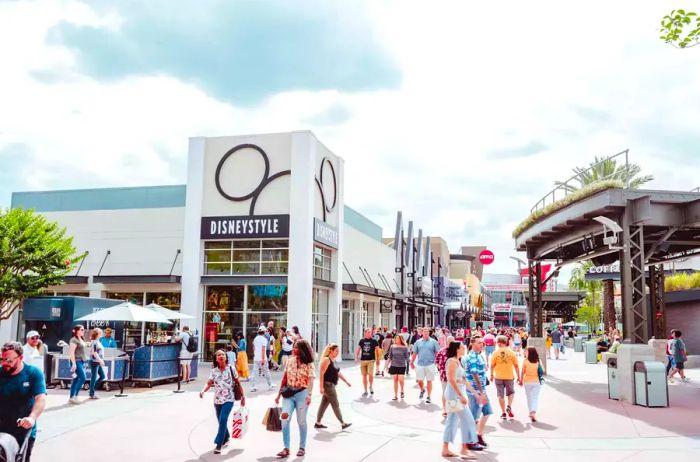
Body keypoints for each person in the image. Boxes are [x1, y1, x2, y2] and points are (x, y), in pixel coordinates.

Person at [0, 341, 47, 461]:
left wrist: (32, 417)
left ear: (20, 358)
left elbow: (40, 398)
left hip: (23, 428)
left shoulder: (33, 373)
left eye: (9, 360)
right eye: (2, 359)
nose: (5, 363)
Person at [441, 341, 485, 459]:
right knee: (468, 420)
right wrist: (461, 395)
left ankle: (446, 448)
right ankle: (463, 450)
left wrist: (476, 394)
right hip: (454, 394)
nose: (464, 348)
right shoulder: (452, 361)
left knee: (453, 421)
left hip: (456, 393)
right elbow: (451, 379)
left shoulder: (459, 362)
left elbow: (463, 380)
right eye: (462, 347)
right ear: (457, 349)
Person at [199, 349, 246, 454]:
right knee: (221, 421)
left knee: (223, 418)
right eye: (219, 355)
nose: (221, 356)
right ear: (216, 359)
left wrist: (243, 396)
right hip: (217, 399)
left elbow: (238, 383)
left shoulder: (231, 369)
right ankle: (226, 437)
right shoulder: (213, 371)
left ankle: (219, 444)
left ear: (226, 357)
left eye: (223, 355)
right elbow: (209, 383)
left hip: (229, 398)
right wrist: (203, 391)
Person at [275, 339, 315, 459]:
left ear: (302, 349)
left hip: (302, 394)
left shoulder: (309, 364)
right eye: (294, 347)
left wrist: (309, 395)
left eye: (296, 347)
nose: (293, 349)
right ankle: (286, 448)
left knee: (301, 421)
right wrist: (278, 395)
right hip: (288, 394)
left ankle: (302, 447)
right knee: (284, 420)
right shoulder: (290, 361)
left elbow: (310, 380)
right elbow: (284, 378)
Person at [315, 343, 351, 430]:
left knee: (323, 404)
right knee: (335, 404)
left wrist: (346, 381)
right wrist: (321, 387)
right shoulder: (326, 360)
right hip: (328, 385)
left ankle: (318, 423)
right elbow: (321, 373)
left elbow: (337, 372)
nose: (338, 353)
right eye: (336, 351)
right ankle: (343, 423)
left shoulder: (333, 360)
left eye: (338, 351)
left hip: (331, 385)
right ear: (331, 351)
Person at [465, 336, 492, 448]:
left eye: (482, 342)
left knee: (487, 411)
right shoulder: (472, 356)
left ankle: (478, 435)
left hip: (481, 389)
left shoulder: (479, 355)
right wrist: (480, 392)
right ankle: (470, 441)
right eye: (479, 342)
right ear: (472, 343)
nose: (482, 344)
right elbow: (474, 373)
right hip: (475, 391)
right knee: (473, 416)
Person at [490, 335, 519, 420]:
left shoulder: (495, 353)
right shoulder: (511, 353)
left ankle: (503, 412)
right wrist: (519, 377)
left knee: (500, 395)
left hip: (498, 376)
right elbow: (516, 366)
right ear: (506, 342)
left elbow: (492, 365)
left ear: (498, 343)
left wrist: (491, 375)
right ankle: (509, 406)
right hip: (509, 376)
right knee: (511, 392)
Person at [410, 327, 440, 404]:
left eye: (427, 333)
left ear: (429, 333)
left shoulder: (434, 342)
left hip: (430, 364)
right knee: (419, 380)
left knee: (429, 380)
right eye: (424, 332)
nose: (426, 334)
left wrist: (438, 363)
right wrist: (411, 362)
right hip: (420, 364)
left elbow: (437, 353)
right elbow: (414, 353)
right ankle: (422, 389)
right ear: (422, 333)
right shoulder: (418, 342)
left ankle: (429, 396)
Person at [519, 346, 542, 422]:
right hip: (536, 382)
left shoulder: (525, 361)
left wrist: (521, 380)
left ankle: (530, 412)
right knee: (535, 398)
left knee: (529, 398)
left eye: (526, 351)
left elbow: (522, 372)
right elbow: (542, 370)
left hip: (527, 382)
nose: (525, 352)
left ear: (529, 352)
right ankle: (533, 412)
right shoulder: (538, 361)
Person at [355, 328, 379, 396]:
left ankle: (371, 386)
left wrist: (377, 360)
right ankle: (365, 390)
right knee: (364, 375)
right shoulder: (362, 341)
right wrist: (356, 357)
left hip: (371, 360)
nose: (369, 333)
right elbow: (358, 349)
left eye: (370, 332)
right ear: (365, 333)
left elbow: (377, 351)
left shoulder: (374, 341)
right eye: (368, 332)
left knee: (370, 374)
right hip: (363, 360)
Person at [68, 324, 88, 404]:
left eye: (83, 329)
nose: (83, 331)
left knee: (76, 379)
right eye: (82, 330)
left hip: (81, 361)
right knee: (83, 377)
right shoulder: (73, 340)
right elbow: (71, 352)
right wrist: (74, 364)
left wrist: (88, 343)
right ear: (76, 331)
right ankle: (75, 396)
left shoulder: (81, 339)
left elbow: (83, 345)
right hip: (76, 361)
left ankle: (71, 397)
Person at [387, 334, 410, 400]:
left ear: (401, 339)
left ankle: (402, 390)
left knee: (400, 380)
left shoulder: (404, 347)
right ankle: (395, 395)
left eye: (398, 338)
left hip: (402, 366)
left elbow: (407, 357)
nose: (396, 340)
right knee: (395, 380)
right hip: (394, 365)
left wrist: (410, 362)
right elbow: (390, 357)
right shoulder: (392, 346)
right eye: (396, 338)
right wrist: (386, 366)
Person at [436, 335, 454, 417]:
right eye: (449, 341)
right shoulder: (442, 351)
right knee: (445, 392)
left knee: (453, 393)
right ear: (446, 342)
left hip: (454, 376)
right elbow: (437, 361)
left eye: (452, 342)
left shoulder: (456, 351)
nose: (450, 343)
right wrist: (440, 370)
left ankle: (452, 409)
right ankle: (445, 409)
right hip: (444, 375)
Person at [251, 326, 273, 392]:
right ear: (264, 332)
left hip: (256, 358)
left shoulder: (255, 339)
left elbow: (254, 348)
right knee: (266, 371)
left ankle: (253, 386)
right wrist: (263, 359)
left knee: (255, 372)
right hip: (262, 358)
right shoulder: (264, 339)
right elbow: (263, 350)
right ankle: (270, 385)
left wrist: (255, 355)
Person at [88, 328, 107, 400]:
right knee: (94, 377)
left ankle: (92, 390)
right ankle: (91, 393)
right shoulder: (95, 342)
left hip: (96, 361)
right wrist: (100, 361)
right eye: (101, 333)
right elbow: (94, 352)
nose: (102, 334)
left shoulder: (97, 341)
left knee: (102, 376)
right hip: (94, 362)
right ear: (97, 334)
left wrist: (100, 360)